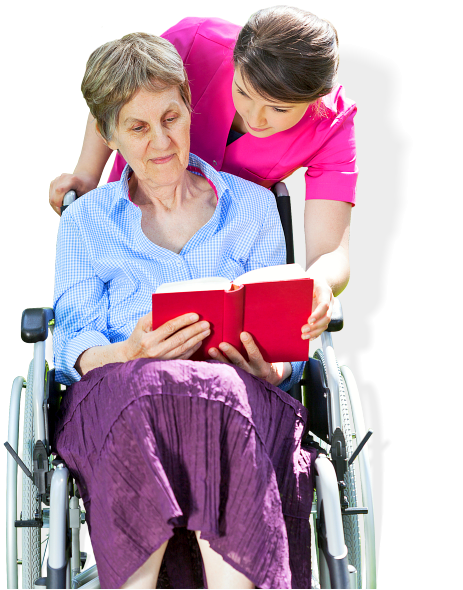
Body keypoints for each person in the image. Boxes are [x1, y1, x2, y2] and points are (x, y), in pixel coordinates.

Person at [52, 31, 316, 589]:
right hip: (122, 395)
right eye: (138, 128)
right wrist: (128, 351)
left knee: (222, 393)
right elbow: (70, 340)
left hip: (238, 392)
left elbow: (284, 344)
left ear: (190, 107)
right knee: (148, 389)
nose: (161, 143)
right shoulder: (86, 221)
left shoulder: (253, 208)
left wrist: (276, 367)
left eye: (171, 118)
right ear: (109, 136)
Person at [49, 7, 359, 344]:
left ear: (315, 100)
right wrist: (86, 175)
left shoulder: (333, 128)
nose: (254, 117)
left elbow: (330, 254)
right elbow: (118, 96)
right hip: (136, 222)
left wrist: (314, 285)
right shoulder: (197, 42)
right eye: (243, 91)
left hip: (228, 244)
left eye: (279, 109)